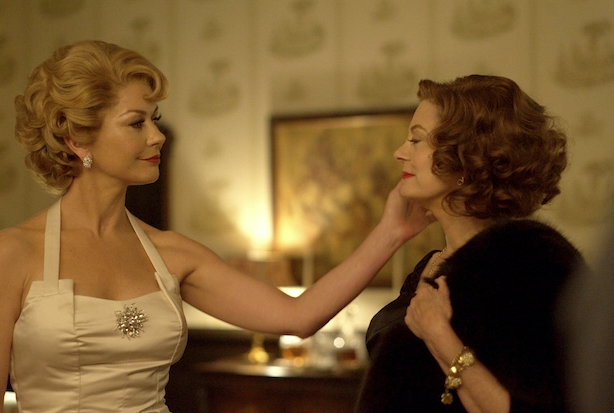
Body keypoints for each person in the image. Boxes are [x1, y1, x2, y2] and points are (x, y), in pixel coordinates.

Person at [0, 40, 429, 413]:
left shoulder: (173, 254)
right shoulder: (14, 254)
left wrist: (391, 232)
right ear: (77, 139)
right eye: (136, 122)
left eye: (154, 119)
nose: (157, 135)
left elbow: (298, 316)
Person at [354, 75, 587, 413]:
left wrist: (440, 338)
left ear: (465, 158)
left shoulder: (532, 262)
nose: (399, 153)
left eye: (416, 140)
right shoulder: (431, 264)